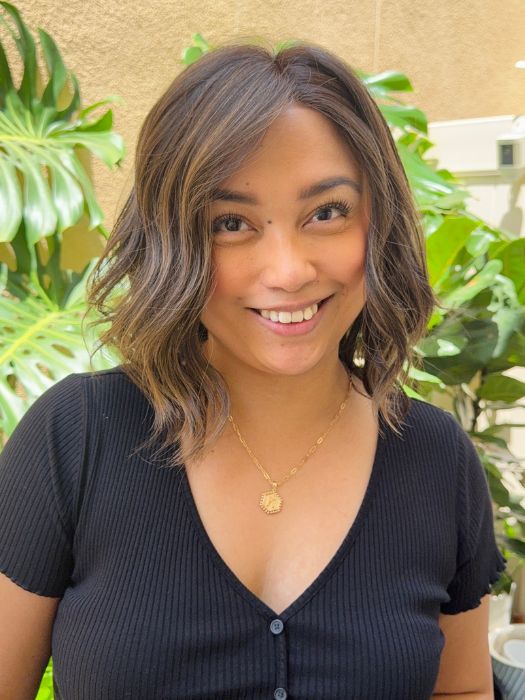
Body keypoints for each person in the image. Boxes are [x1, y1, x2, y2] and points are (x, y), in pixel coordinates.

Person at [0, 40, 506, 700]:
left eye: (326, 212)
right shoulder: (75, 438)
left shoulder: (436, 459)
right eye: (231, 222)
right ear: (172, 241)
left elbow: (460, 691)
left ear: (376, 223)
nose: (289, 271)